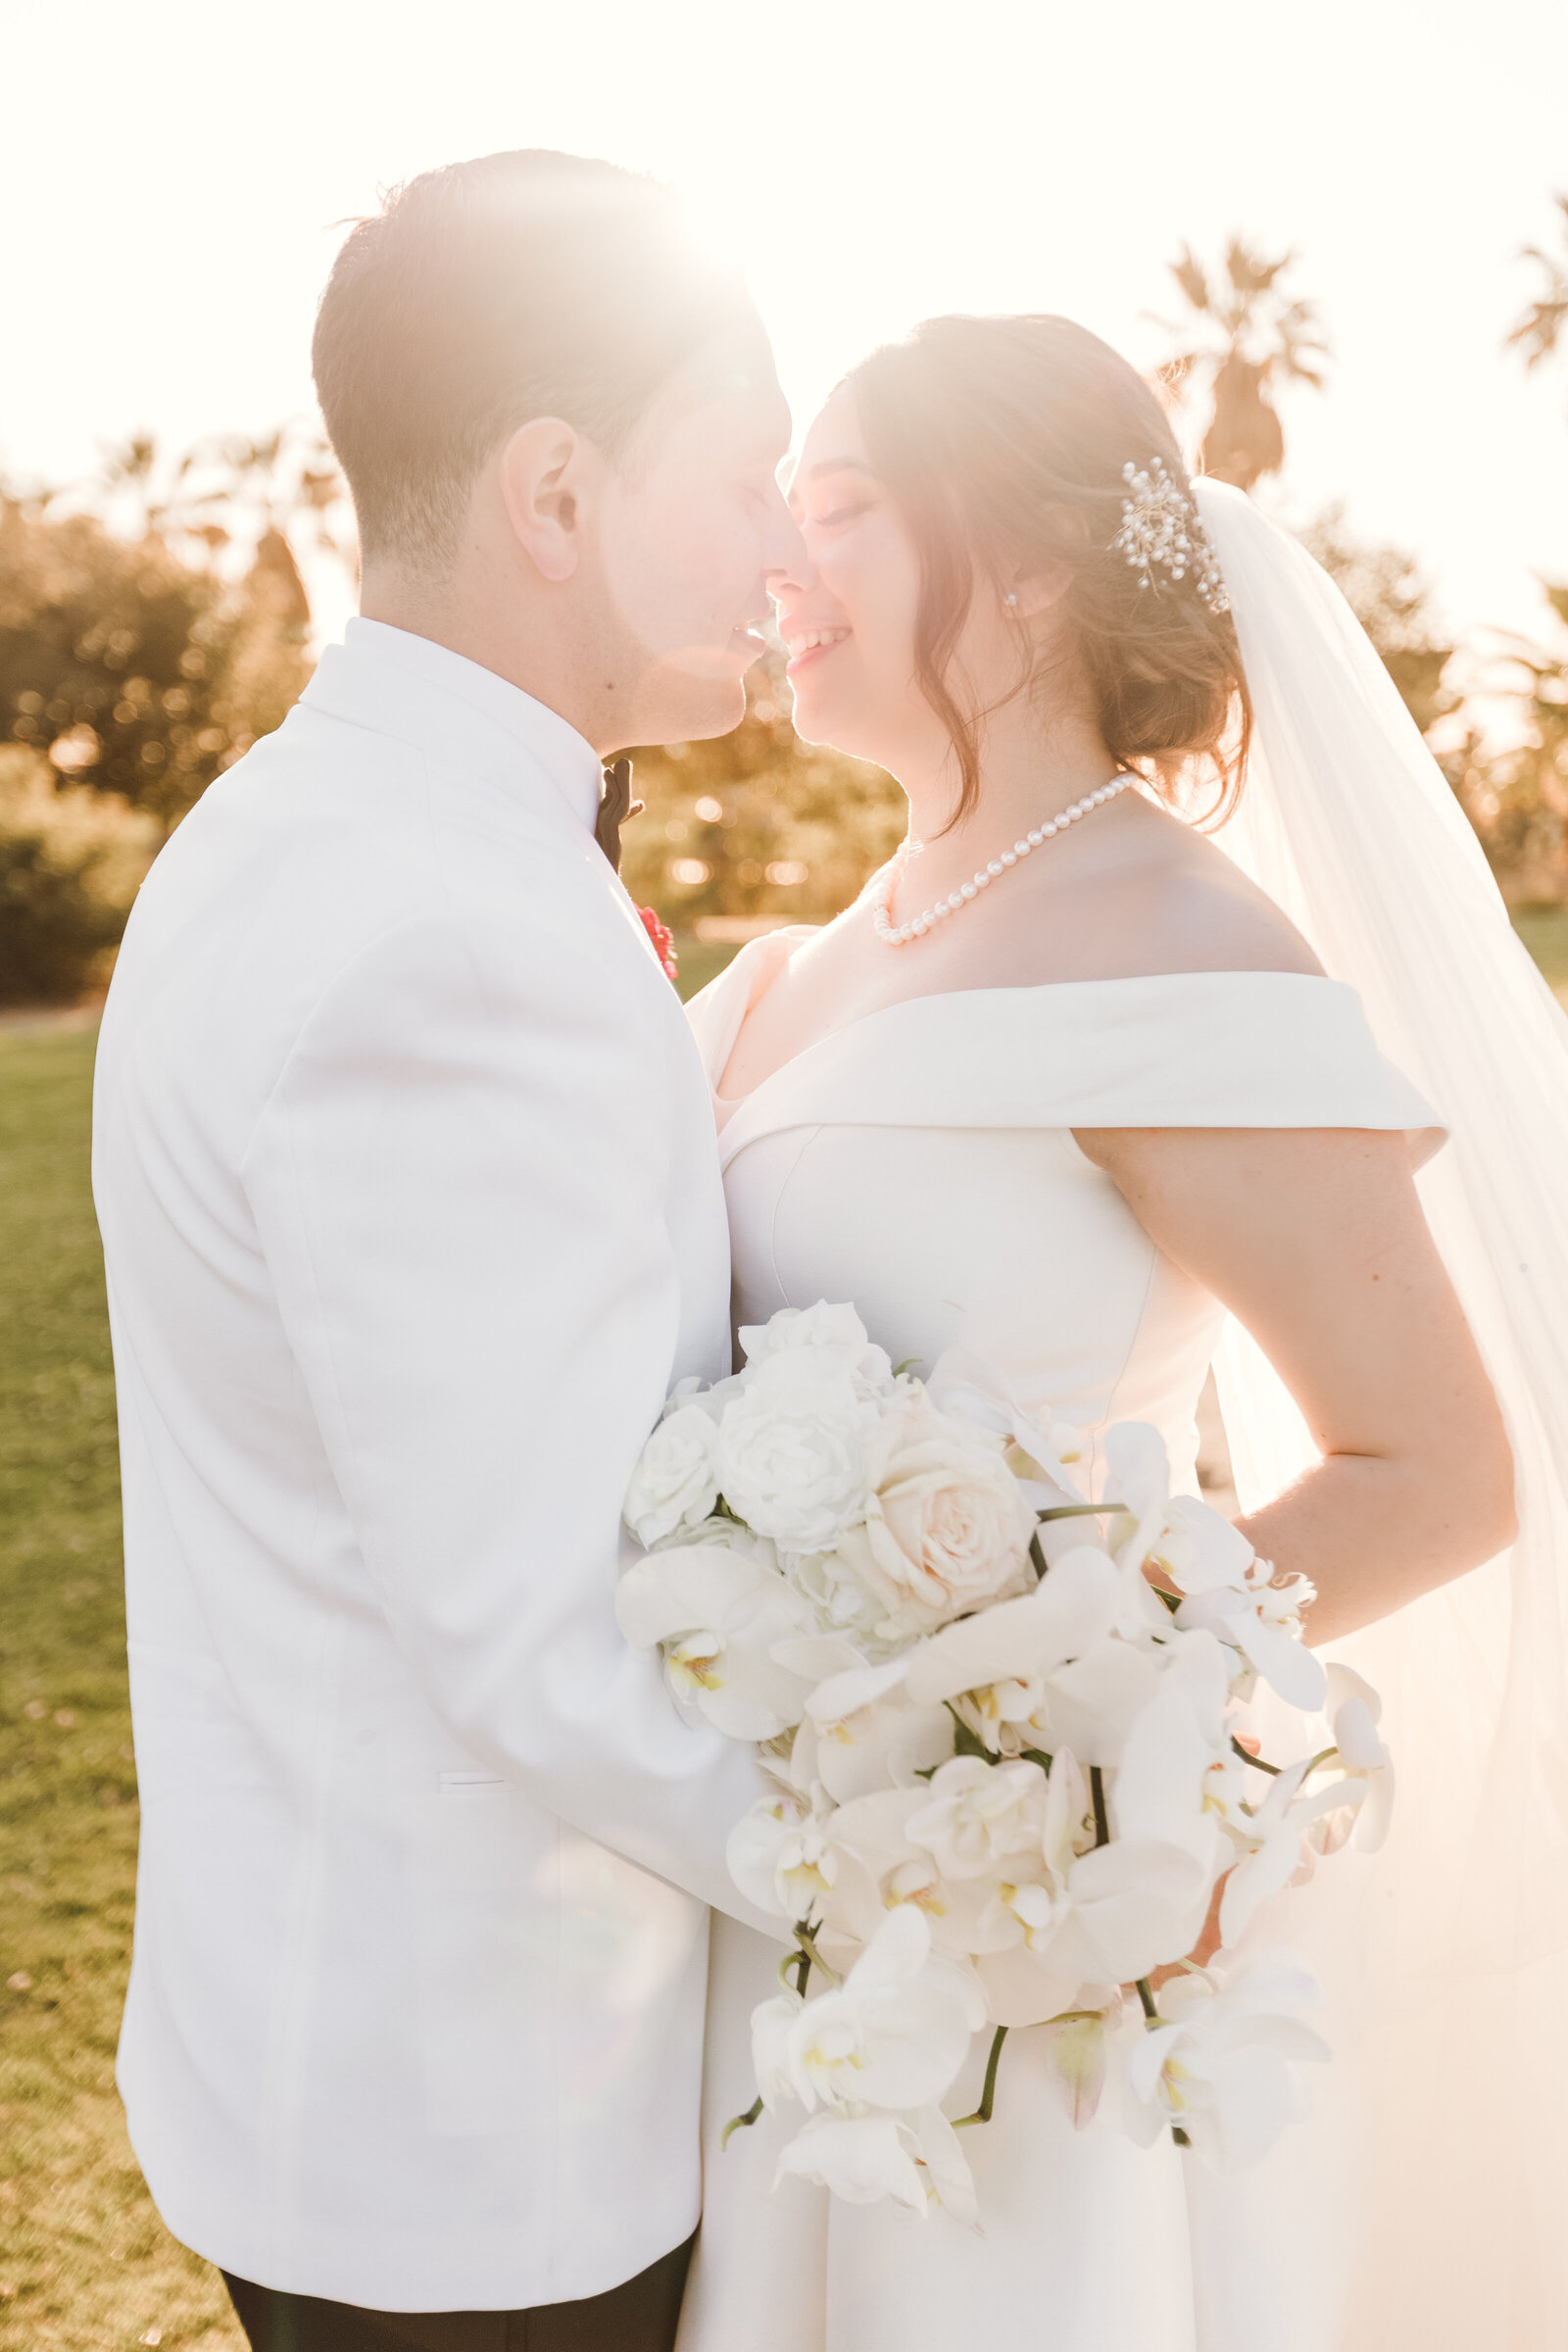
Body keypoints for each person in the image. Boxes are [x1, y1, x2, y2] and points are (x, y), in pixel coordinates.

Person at [674, 315, 1568, 2349]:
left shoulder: (1177, 952)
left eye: (832, 511)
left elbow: (1436, 1469)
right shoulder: (814, 957)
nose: (773, 573)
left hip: (1020, 1937)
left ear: (1026, 571)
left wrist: (1045, 1713)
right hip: (782, 1915)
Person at [91, 150, 802, 2352]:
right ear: (558, 495)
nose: (784, 542)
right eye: (751, 470)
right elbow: (543, 1638)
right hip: (472, 2165)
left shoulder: (340, 826)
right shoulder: (432, 934)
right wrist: (968, 1893)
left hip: (350, 2072)